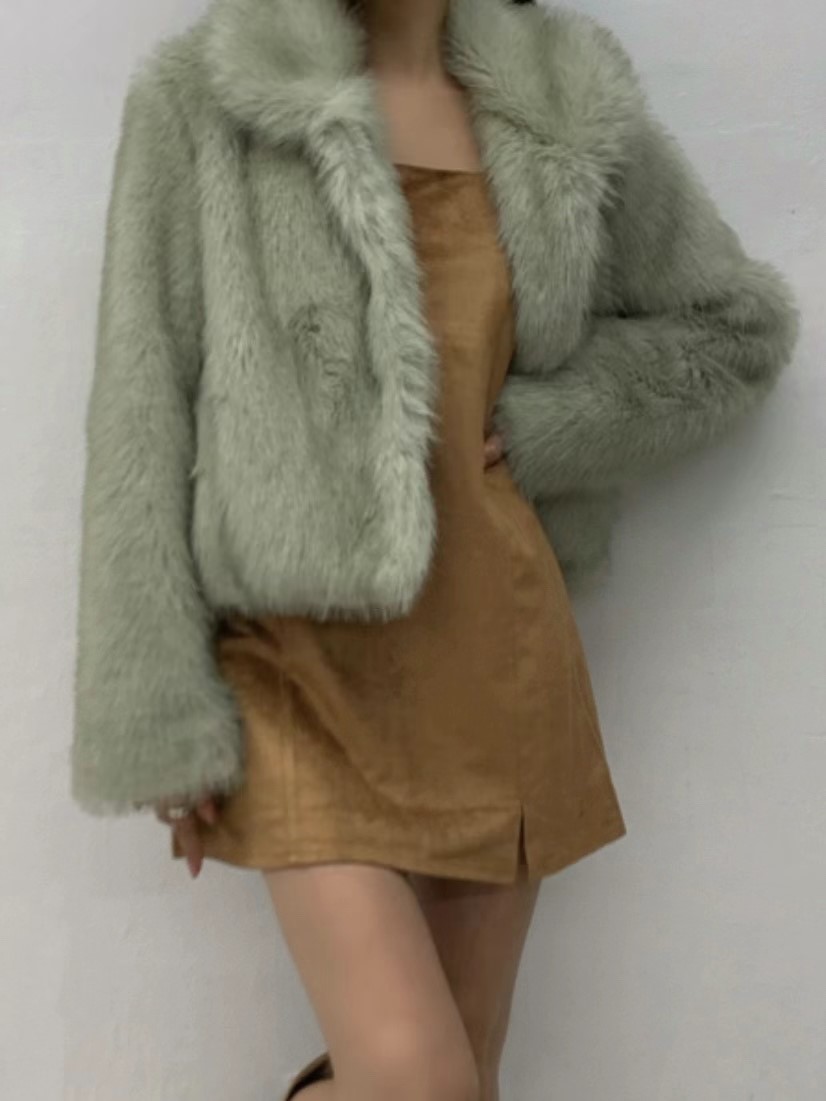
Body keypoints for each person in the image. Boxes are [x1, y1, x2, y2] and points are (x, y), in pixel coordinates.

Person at [69, 1, 799, 1098]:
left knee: (464, 1075)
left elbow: (734, 328)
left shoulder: (561, 94)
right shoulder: (209, 94)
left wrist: (558, 424)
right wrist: (156, 721)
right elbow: (140, 412)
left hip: (497, 662)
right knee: (421, 1079)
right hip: (294, 670)